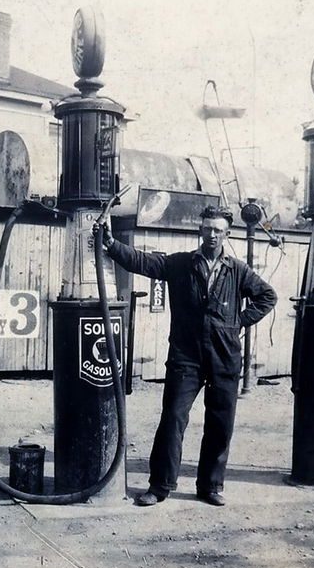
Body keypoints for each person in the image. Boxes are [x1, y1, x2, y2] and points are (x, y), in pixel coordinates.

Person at [94, 205, 277, 507]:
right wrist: (112, 246)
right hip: (185, 356)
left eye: (218, 231)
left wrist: (238, 323)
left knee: (220, 424)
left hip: (224, 357)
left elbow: (267, 296)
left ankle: (210, 486)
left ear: (226, 234)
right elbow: (144, 262)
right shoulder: (181, 264)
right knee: (172, 419)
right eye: (207, 229)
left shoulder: (237, 270)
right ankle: (160, 485)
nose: (212, 235)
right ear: (200, 231)